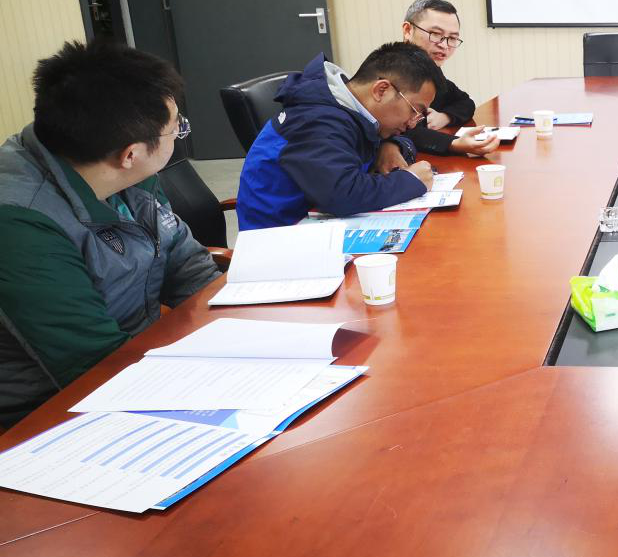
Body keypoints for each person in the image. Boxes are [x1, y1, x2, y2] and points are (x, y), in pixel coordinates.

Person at [0, 40, 221, 427]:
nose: (178, 135)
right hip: (47, 413)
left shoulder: (123, 169)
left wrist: (236, 333)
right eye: (176, 129)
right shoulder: (21, 226)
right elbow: (90, 363)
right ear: (130, 154)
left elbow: (188, 265)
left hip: (137, 362)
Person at [237, 42, 440, 230]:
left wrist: (391, 145)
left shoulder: (352, 107)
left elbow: (405, 137)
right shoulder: (317, 119)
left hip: (315, 220)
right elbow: (342, 195)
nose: (413, 122)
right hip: (278, 237)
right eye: (414, 110)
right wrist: (411, 179)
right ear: (381, 90)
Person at [397, 0, 500, 159]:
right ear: (408, 30)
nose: (444, 45)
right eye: (435, 34)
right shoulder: (392, 71)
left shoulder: (431, 70)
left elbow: (465, 102)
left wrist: (444, 117)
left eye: (452, 38)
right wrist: (454, 144)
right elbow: (399, 133)